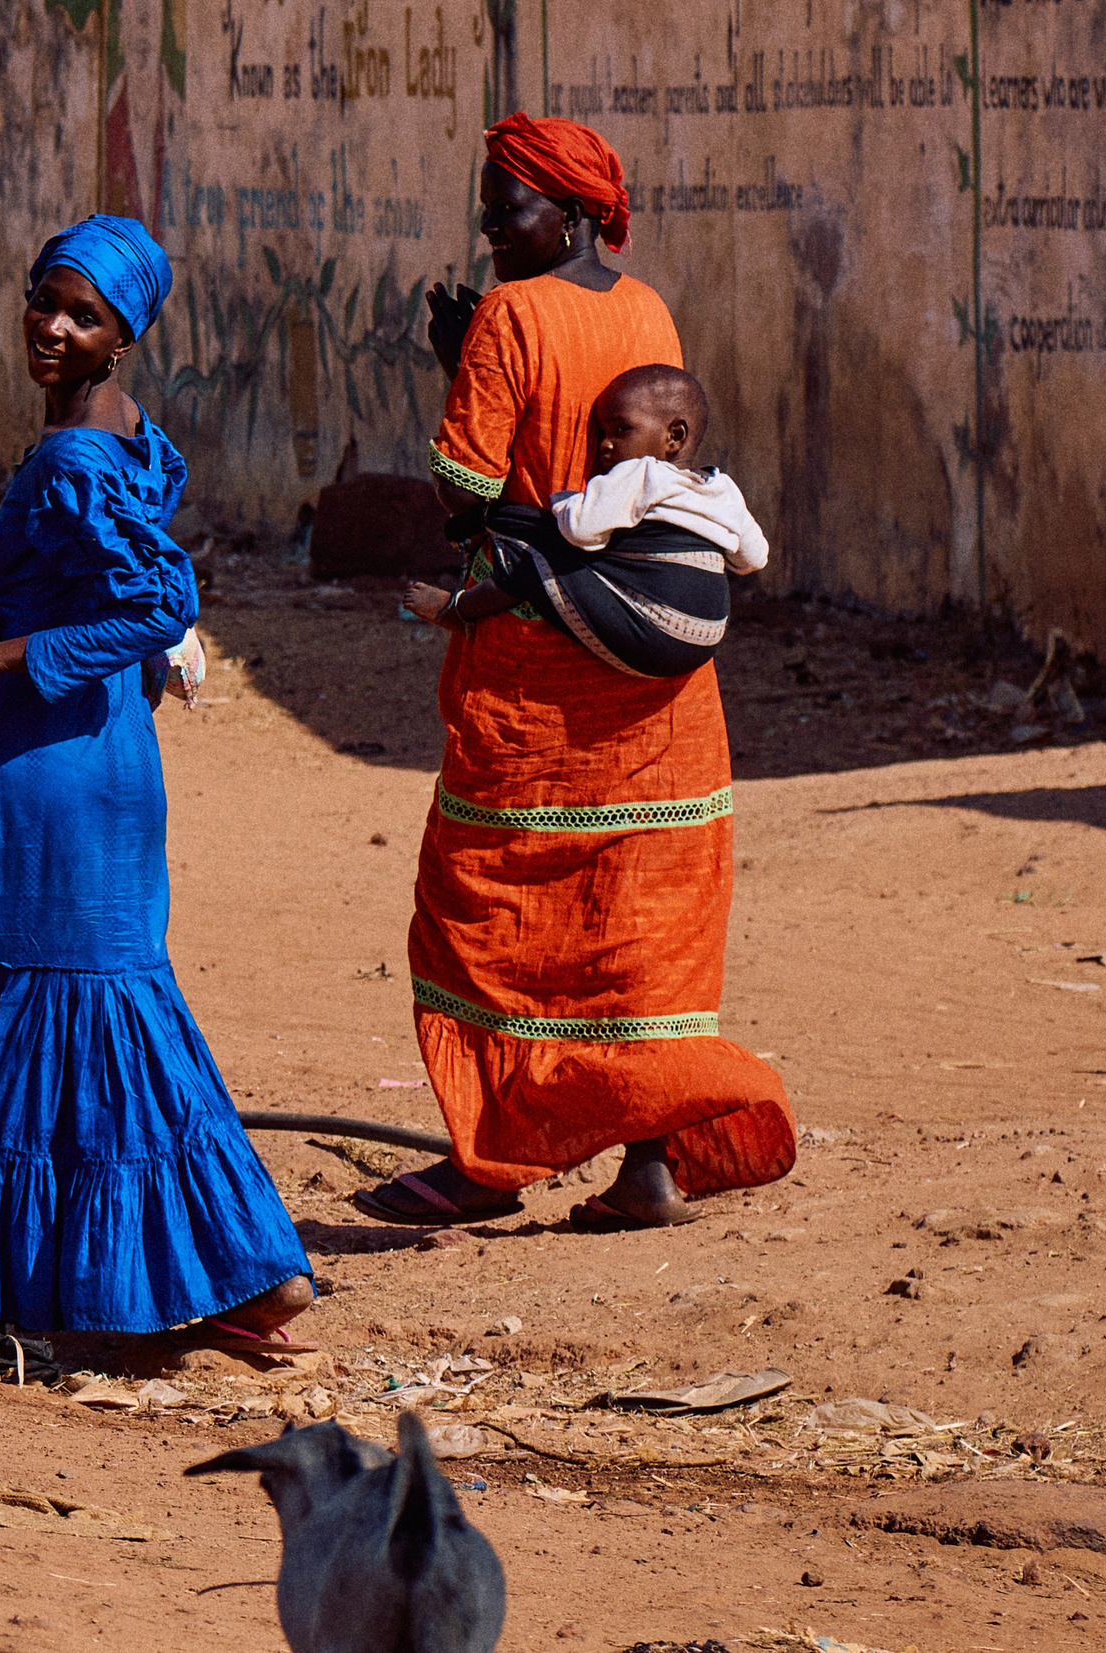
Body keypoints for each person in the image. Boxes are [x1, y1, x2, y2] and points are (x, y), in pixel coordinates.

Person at [351, 115, 797, 1232]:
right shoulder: (645, 308)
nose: (490, 225)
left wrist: (460, 363)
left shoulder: (507, 314)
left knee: (485, 914)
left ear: (577, 211)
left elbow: (463, 486)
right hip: (657, 690)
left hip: (534, 682)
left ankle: (488, 1158)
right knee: (638, 921)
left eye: (508, 204)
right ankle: (647, 1163)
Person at [0, 215, 315, 1347]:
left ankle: (217, 1274)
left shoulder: (75, 456)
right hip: (98, 757)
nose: (52, 327)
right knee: (108, 1023)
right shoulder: (127, 433)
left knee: (44, 1025)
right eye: (45, 299)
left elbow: (153, 605)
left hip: (60, 780)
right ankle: (176, 1286)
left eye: (82, 315)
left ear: (123, 334)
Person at [403, 364, 770, 678]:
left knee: (537, 561)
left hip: (658, 633)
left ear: (673, 437)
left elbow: (581, 532)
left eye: (621, 430)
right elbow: (754, 558)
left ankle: (461, 610)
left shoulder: (643, 474)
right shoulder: (722, 488)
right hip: (705, 637)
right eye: (602, 433)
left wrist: (564, 500)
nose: (605, 445)